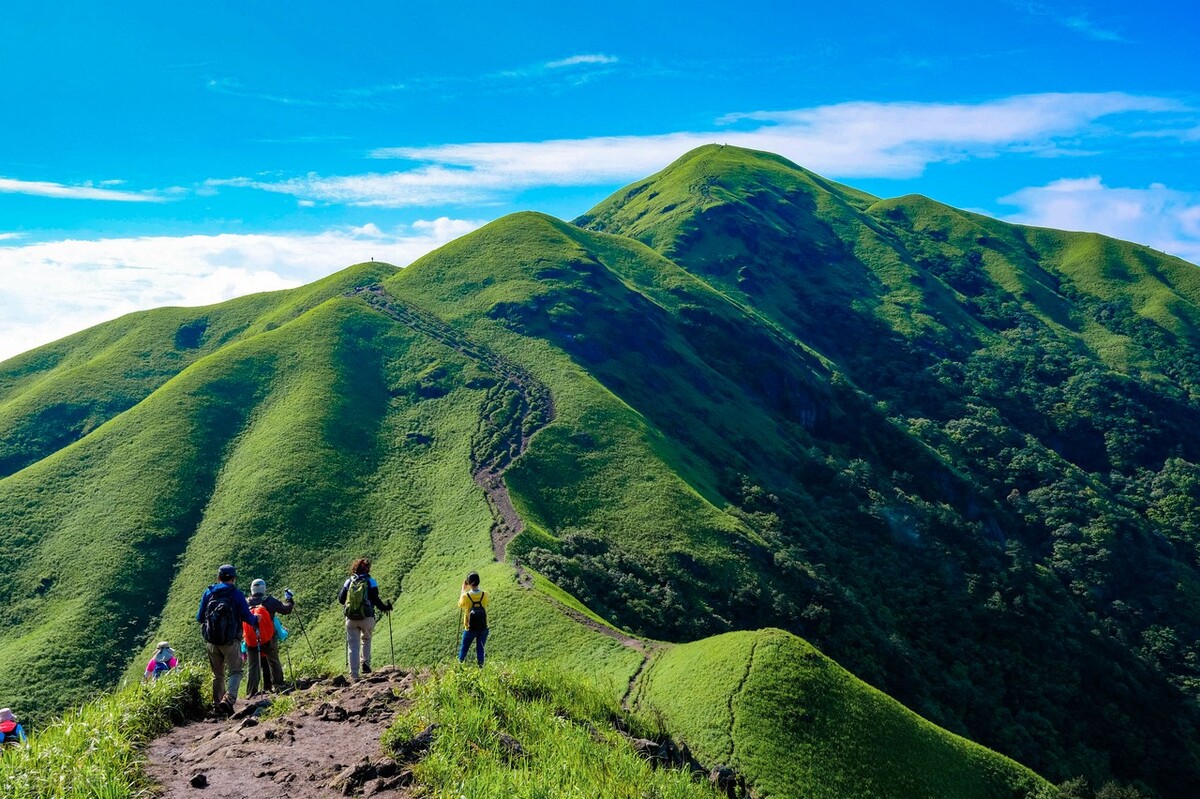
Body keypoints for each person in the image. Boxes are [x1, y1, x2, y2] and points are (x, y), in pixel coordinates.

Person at [196, 564, 257, 715]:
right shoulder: (236, 594)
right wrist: (256, 619)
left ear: (218, 578)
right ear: (234, 578)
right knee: (235, 671)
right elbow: (247, 617)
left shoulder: (208, 592)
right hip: (230, 642)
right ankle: (228, 700)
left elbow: (199, 618)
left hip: (211, 642)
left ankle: (218, 705)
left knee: (218, 675)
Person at [337, 559, 392, 680]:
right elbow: (375, 599)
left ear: (355, 568)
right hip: (367, 617)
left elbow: (341, 599)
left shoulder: (349, 581)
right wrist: (386, 607)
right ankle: (366, 665)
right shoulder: (371, 581)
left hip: (351, 618)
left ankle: (354, 674)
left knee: (353, 646)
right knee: (366, 640)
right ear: (368, 569)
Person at [245, 579, 294, 696]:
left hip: (251, 640)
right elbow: (286, 609)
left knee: (253, 666)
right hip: (268, 638)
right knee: (273, 661)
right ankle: (279, 685)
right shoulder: (269, 601)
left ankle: (251, 691)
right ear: (263, 588)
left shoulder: (246, 603)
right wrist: (290, 600)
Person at [457, 571, 489, 667]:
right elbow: (486, 604)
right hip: (483, 627)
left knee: (464, 648)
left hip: (470, 627)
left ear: (469, 583)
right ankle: (481, 667)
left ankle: (459, 666)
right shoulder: (485, 594)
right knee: (480, 649)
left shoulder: (466, 596)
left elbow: (460, 605)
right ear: (478, 582)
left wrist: (463, 589)